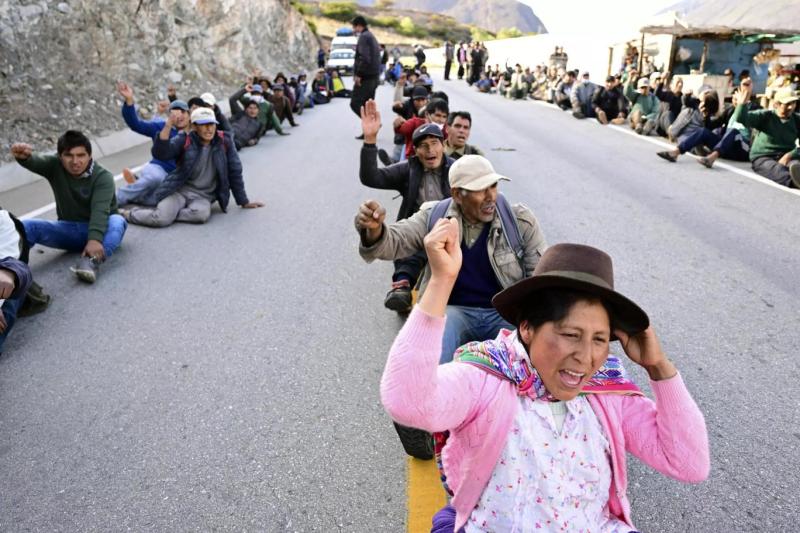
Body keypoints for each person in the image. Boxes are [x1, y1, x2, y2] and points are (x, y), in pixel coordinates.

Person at [383, 234, 710, 532]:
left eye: (599, 339)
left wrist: (659, 367)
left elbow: (688, 463)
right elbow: (408, 402)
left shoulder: (605, 393)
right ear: (527, 328)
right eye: (571, 335)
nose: (586, 357)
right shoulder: (488, 377)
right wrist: (441, 282)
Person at [355, 154, 547, 363]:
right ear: (457, 194)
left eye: (493, 186)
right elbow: (395, 241)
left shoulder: (519, 221)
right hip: (453, 312)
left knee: (530, 362)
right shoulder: (435, 216)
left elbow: (538, 280)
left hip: (504, 313)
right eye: (480, 189)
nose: (490, 196)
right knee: (430, 362)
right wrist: (374, 230)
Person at [359, 100, 454, 312]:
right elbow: (371, 177)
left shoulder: (457, 169)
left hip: (453, 229)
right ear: (415, 151)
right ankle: (401, 286)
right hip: (419, 228)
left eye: (434, 143)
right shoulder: (408, 170)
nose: (430, 150)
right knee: (411, 248)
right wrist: (370, 140)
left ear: (444, 145)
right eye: (423, 145)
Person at [11, 131, 127, 283]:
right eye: (68, 155)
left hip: (102, 233)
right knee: (26, 226)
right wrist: (25, 158)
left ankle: (90, 261)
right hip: (70, 230)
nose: (75, 161)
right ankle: (11, 270)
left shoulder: (103, 177)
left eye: (81, 155)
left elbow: (101, 211)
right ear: (60, 157)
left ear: (90, 156)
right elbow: (37, 161)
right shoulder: (54, 165)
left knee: (117, 221)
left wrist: (94, 240)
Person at [122, 108, 264, 227]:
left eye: (212, 124)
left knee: (201, 215)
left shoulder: (225, 141)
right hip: (179, 191)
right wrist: (167, 126)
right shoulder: (185, 139)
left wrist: (243, 201)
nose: (209, 129)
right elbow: (162, 153)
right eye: (204, 125)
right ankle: (128, 214)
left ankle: (168, 212)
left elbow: (235, 171)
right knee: (161, 219)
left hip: (204, 196)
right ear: (195, 127)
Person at [116, 81, 191, 205]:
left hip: (175, 178)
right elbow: (136, 124)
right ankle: (114, 200)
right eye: (176, 112)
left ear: (189, 115)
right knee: (155, 179)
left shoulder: (196, 132)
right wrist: (129, 99)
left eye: (183, 112)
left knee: (160, 201)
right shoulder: (162, 127)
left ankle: (137, 186)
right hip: (158, 169)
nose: (180, 116)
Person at [729, 86, 800, 188]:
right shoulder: (765, 116)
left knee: (796, 165)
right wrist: (742, 104)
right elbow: (742, 119)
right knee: (778, 170)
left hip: (786, 156)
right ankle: (795, 182)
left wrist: (791, 154)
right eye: (787, 104)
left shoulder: (796, 120)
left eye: (793, 103)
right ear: (777, 104)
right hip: (763, 157)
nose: (791, 107)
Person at [698, 79, 759, 168]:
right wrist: (705, 116)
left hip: (743, 149)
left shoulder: (753, 108)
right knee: (703, 132)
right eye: (733, 99)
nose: (734, 101)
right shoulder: (730, 111)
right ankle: (677, 151)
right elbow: (712, 126)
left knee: (734, 131)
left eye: (737, 99)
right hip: (728, 147)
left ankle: (712, 158)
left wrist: (743, 102)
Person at [0, 208, 33, 354]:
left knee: (15, 275)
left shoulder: (2, 220)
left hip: (5, 296)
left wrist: (9, 273)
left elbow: (17, 265)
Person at [656, 90, 722, 163]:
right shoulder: (694, 106)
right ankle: (682, 148)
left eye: (704, 102)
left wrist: (705, 118)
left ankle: (678, 152)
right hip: (683, 131)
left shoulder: (711, 116)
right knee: (668, 115)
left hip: (694, 134)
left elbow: (708, 131)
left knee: (690, 139)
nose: (701, 104)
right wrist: (686, 95)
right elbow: (686, 101)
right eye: (701, 101)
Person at [351, 15, 381, 139]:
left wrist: (358, 74)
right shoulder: (371, 36)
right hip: (374, 77)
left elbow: (365, 58)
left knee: (355, 103)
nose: (354, 30)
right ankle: (369, 130)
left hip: (366, 78)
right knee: (367, 105)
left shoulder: (363, 37)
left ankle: (373, 124)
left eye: (354, 27)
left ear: (359, 26)